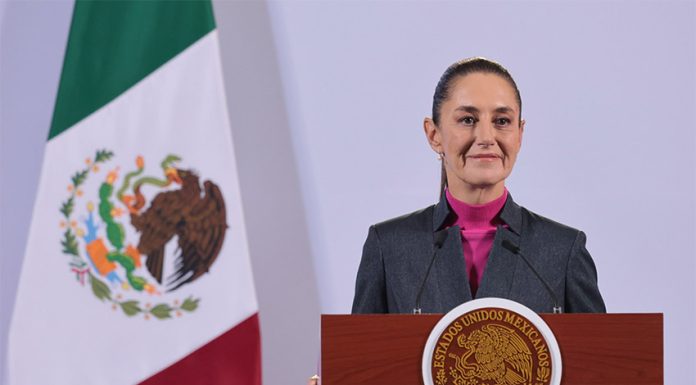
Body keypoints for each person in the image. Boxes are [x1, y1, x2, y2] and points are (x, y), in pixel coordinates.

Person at [351, 57, 606, 315]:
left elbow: (599, 353)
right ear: (433, 134)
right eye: (468, 120)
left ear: (520, 134)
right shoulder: (390, 247)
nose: (486, 138)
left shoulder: (562, 250)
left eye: (502, 121)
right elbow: (358, 353)